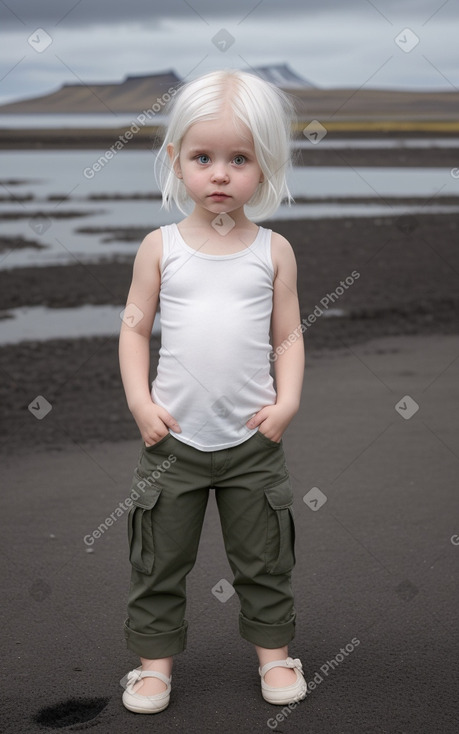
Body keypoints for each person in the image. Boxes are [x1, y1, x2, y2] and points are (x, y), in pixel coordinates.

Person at [118, 68, 306, 715]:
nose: (220, 174)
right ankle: (152, 667)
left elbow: (289, 336)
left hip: (253, 442)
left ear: (264, 165)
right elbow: (134, 332)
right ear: (176, 160)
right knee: (158, 562)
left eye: (239, 159)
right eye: (203, 158)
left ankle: (275, 655)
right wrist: (141, 404)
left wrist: (286, 403)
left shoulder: (273, 251)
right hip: (172, 440)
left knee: (264, 561)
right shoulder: (160, 248)